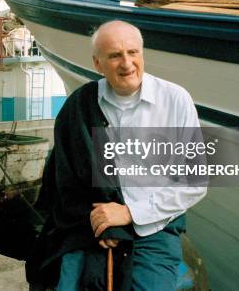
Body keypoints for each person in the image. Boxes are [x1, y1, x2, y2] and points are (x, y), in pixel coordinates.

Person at [26, 20, 207, 291]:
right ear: (97, 64)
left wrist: (129, 213)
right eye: (115, 55)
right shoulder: (80, 105)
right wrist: (101, 224)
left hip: (153, 229)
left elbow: (195, 184)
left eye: (133, 52)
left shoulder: (175, 100)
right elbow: (65, 183)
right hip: (91, 224)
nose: (127, 64)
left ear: (142, 54)